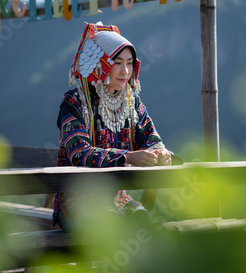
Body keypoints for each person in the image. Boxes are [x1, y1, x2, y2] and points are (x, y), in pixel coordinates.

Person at [52, 22, 174, 231]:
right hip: (77, 201)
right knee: (113, 231)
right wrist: (126, 157)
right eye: (117, 63)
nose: (125, 71)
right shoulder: (74, 102)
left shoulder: (131, 102)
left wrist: (160, 153)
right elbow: (78, 152)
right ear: (101, 63)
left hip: (118, 200)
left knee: (152, 228)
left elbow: (151, 139)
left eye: (129, 63)